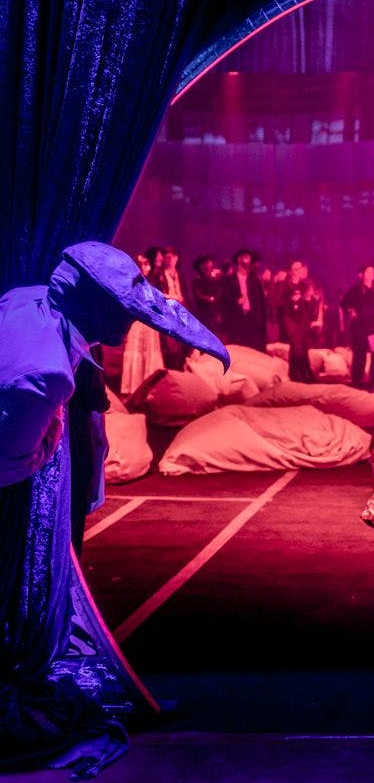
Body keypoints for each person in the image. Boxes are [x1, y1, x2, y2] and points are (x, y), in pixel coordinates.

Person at [0, 242, 228, 772]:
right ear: (94, 306)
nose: (129, 323)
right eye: (121, 310)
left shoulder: (31, 303)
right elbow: (9, 477)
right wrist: (47, 443)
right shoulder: (44, 372)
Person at [119, 252, 165, 395]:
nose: (147, 267)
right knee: (137, 351)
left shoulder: (152, 280)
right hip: (138, 322)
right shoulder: (133, 282)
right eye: (143, 264)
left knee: (149, 351)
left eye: (147, 264)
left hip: (149, 322)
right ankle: (133, 387)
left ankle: (151, 386)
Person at [340, 265, 374, 388]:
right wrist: (351, 311)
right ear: (361, 275)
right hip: (359, 327)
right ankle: (357, 380)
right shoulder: (355, 290)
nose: (370, 274)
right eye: (368, 272)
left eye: (372, 272)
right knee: (359, 354)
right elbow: (344, 303)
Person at [221, 248, 267, 351]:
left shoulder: (254, 279)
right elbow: (224, 300)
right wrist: (236, 302)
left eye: (249, 258)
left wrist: (260, 319)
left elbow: (260, 302)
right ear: (239, 260)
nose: (248, 260)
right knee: (238, 348)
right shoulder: (230, 280)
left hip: (252, 318)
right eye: (245, 257)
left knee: (252, 348)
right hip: (236, 319)